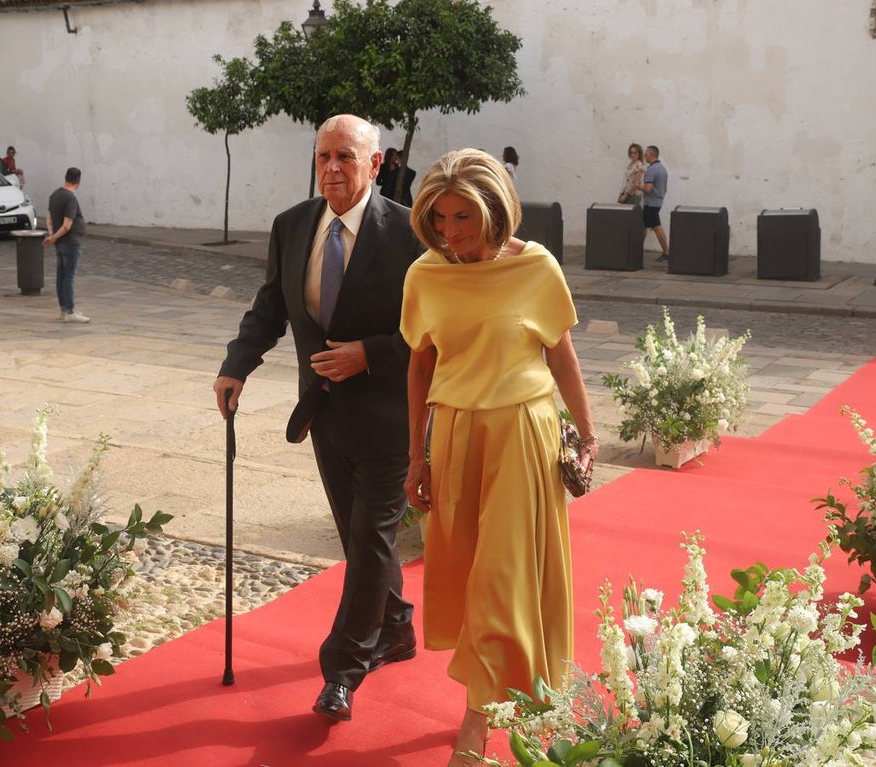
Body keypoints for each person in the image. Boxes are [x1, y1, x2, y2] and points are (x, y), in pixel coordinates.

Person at [214, 114, 421, 724]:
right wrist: (237, 365)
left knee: (369, 539)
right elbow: (271, 306)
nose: (332, 168)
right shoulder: (292, 225)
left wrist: (371, 353)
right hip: (326, 416)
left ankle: (343, 671)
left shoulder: (410, 234)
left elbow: (435, 333)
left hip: (390, 417)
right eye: (323, 156)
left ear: (376, 164)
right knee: (359, 540)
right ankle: (399, 627)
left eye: (346, 158)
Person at [400, 148, 598, 767]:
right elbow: (420, 364)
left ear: (495, 211)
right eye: (440, 220)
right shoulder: (425, 275)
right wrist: (416, 455)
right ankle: (512, 686)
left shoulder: (535, 266)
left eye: (463, 218)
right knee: (467, 571)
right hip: (456, 436)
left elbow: (562, 356)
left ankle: (476, 720)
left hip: (523, 436)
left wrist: (587, 436)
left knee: (500, 577)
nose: (452, 234)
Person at [43, 167, 90, 323]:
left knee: (61, 275)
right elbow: (67, 225)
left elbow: (49, 216)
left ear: (65, 177)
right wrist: (54, 237)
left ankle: (64, 309)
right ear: (79, 180)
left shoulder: (54, 195)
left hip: (60, 242)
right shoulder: (70, 198)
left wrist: (52, 236)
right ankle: (69, 311)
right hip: (70, 242)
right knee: (68, 277)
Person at [642, 145, 670, 262]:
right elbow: (665, 189)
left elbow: (647, 188)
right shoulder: (662, 168)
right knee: (642, 226)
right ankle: (635, 248)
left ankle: (667, 252)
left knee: (656, 227)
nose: (645, 156)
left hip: (651, 203)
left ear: (652, 154)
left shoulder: (652, 169)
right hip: (657, 202)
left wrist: (638, 186)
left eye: (646, 154)